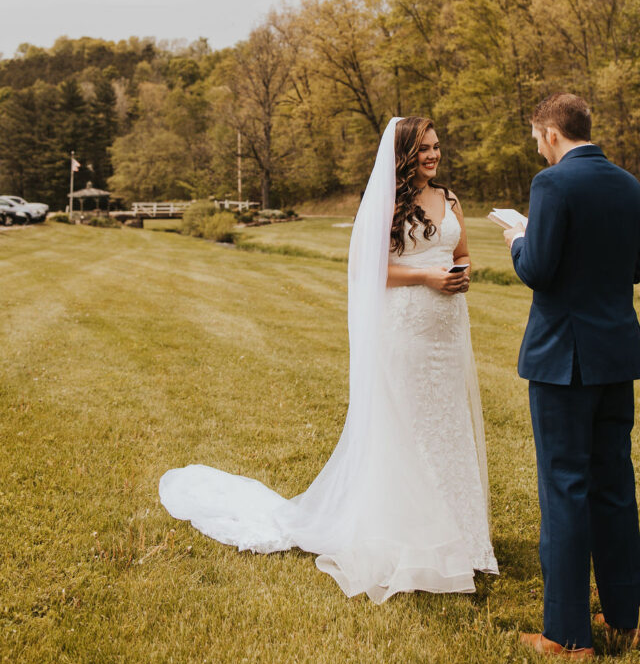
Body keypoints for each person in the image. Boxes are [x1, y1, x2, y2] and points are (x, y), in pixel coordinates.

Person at [160, 116, 497, 602]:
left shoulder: (449, 199)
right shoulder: (385, 200)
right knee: (408, 428)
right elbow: (368, 268)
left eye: (437, 147)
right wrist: (426, 278)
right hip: (405, 330)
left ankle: (460, 538)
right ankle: (407, 537)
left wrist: (461, 275)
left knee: (446, 425)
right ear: (404, 153)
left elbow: (461, 251)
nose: (433, 155)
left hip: (446, 331)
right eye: (424, 148)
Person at [501, 93, 640, 660]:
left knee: (564, 488)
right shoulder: (630, 185)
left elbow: (539, 269)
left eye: (536, 138)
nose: (538, 148)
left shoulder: (552, 185)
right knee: (614, 486)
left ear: (549, 132)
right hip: (618, 355)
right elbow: (636, 268)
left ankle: (567, 636)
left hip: (563, 359)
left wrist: (517, 241)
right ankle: (627, 619)